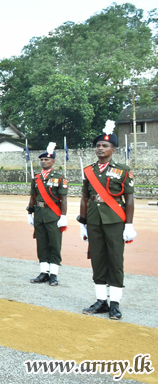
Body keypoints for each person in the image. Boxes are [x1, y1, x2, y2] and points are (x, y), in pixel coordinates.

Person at [79, 121, 135, 320]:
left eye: (104, 146)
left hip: (114, 220)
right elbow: (85, 197)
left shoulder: (122, 170)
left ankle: (115, 304)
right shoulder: (89, 171)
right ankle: (101, 301)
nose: (100, 148)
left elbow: (128, 199)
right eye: (98, 146)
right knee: (98, 259)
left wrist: (129, 224)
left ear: (113, 149)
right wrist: (83, 223)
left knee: (115, 260)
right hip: (94, 219)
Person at [26, 143, 68, 286]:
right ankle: (44, 272)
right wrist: (29, 213)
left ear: (53, 162)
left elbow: (63, 199)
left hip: (53, 215)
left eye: (47, 160)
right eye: (42, 160)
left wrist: (63, 216)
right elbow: (33, 196)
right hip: (39, 215)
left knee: (55, 245)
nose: (44, 162)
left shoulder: (59, 177)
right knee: (42, 244)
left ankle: (54, 274)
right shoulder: (36, 178)